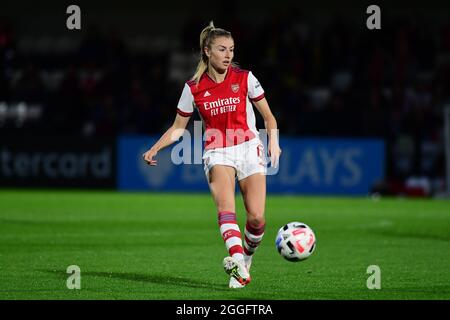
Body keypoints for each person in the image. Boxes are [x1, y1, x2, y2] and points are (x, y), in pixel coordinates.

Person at [142, 21, 281, 288]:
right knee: (226, 208)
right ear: (207, 51)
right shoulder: (193, 87)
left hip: (249, 146)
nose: (228, 55)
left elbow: (269, 116)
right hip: (217, 151)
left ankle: (245, 259)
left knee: (257, 218)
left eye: (231, 49)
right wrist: (155, 148)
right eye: (222, 49)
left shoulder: (245, 78)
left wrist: (273, 142)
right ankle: (238, 264)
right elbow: (178, 128)